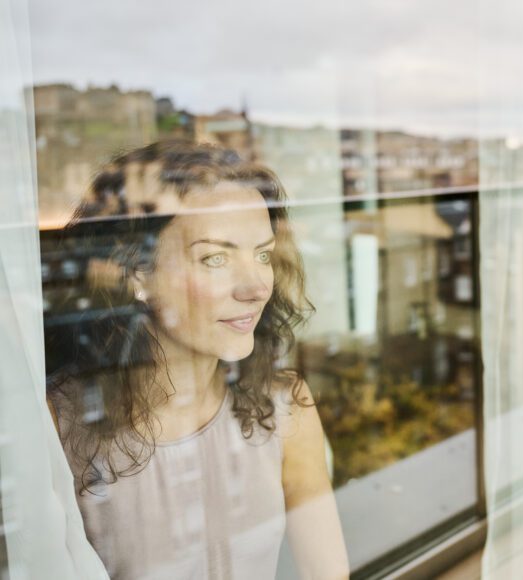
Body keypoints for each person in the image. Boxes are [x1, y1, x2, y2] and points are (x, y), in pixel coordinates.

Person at [46, 140, 349, 579]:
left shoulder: (284, 405)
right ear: (137, 274)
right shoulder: (58, 425)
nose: (256, 286)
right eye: (215, 258)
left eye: (263, 254)